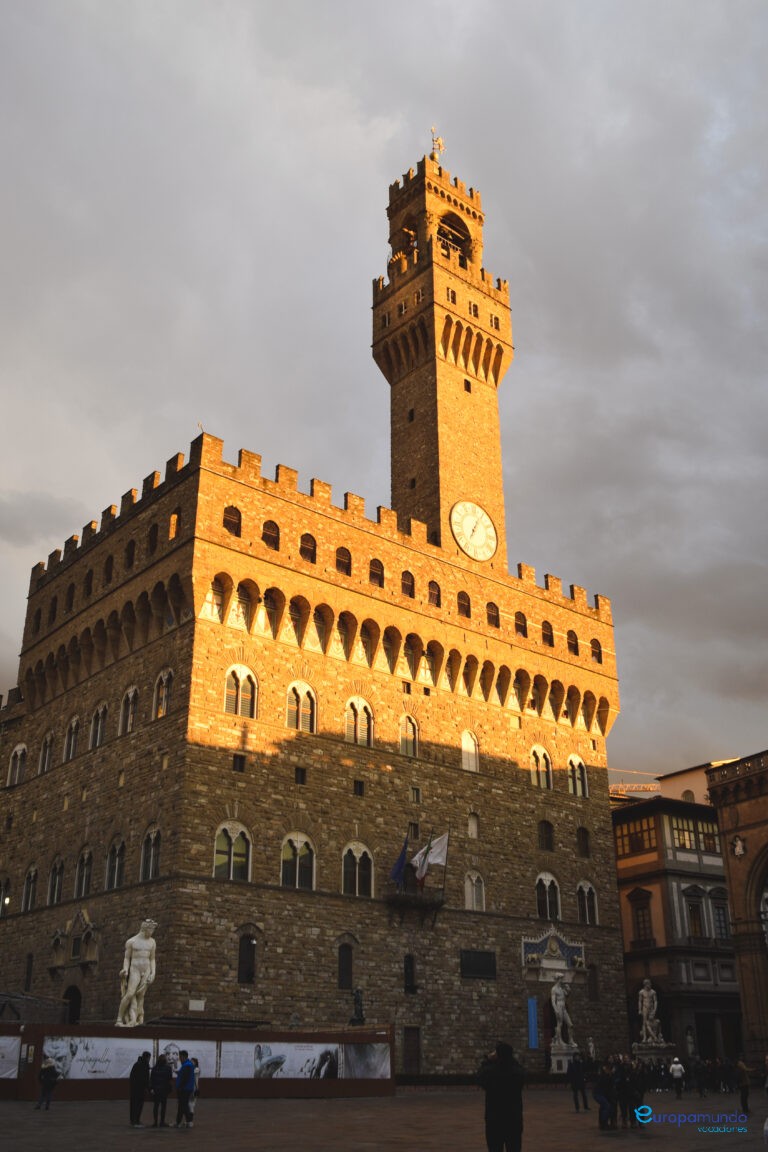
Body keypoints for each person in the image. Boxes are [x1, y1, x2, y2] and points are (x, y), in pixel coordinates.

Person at [478, 1041, 524, 1152]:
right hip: (513, 1120)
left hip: (494, 1120)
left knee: (494, 1148)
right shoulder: (516, 1072)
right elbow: (522, 1072)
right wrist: (510, 1058)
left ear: (497, 1055)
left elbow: (480, 1075)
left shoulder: (491, 1072)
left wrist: (488, 1060)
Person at [116, 919, 157, 1027]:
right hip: (135, 969)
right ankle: (119, 1018)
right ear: (144, 929)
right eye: (151, 930)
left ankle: (138, 1018)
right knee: (130, 993)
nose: (152, 932)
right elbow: (127, 958)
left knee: (141, 995)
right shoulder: (131, 942)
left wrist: (153, 973)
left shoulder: (152, 942)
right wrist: (125, 969)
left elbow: (152, 959)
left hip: (146, 969)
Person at [150, 1052, 173, 1127]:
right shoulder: (168, 1068)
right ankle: (162, 1122)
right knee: (163, 1106)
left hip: (156, 1089)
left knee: (156, 1106)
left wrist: (152, 1088)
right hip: (164, 1089)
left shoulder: (154, 1068)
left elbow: (151, 1079)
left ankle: (155, 1122)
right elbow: (170, 1078)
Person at [129, 1050, 151, 1128]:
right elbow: (145, 1079)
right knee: (137, 1105)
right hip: (139, 1089)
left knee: (134, 1105)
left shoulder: (137, 1064)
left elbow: (131, 1077)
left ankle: (134, 1120)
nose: (149, 1059)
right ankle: (136, 1121)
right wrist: (148, 1088)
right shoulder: (144, 1065)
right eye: (149, 1058)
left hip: (135, 1089)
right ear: (147, 1057)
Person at [175, 1049, 196, 1129]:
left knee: (183, 1105)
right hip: (186, 1088)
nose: (179, 1059)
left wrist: (180, 1087)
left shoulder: (187, 1065)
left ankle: (188, 1121)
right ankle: (180, 1122)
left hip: (184, 1089)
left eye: (180, 1057)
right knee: (182, 1105)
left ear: (183, 1056)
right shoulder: (187, 1064)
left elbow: (185, 1078)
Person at [551, 975, 573, 1044]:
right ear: (558, 979)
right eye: (561, 979)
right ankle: (559, 1040)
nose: (562, 980)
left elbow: (567, 995)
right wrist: (556, 1009)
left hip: (564, 1007)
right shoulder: (554, 989)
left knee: (570, 1025)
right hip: (559, 1005)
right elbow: (553, 1001)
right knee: (559, 1024)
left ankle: (570, 1040)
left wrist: (568, 990)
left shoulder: (561, 988)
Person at [638, 979, 662, 1043]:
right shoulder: (641, 992)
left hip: (651, 1008)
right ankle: (645, 1037)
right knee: (644, 1022)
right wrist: (640, 1009)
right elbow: (640, 1001)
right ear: (645, 984)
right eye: (649, 984)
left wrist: (655, 1009)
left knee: (653, 1021)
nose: (650, 985)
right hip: (645, 1008)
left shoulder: (653, 992)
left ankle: (653, 1036)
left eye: (650, 984)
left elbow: (655, 1001)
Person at [187, 1057, 201, 1125]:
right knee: (189, 1104)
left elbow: (191, 1073)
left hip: (194, 1088)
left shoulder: (196, 1069)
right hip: (190, 1088)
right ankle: (189, 1121)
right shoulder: (192, 1068)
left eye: (192, 1061)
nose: (191, 1062)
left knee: (191, 1105)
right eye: (190, 1061)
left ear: (195, 1062)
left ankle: (190, 1121)